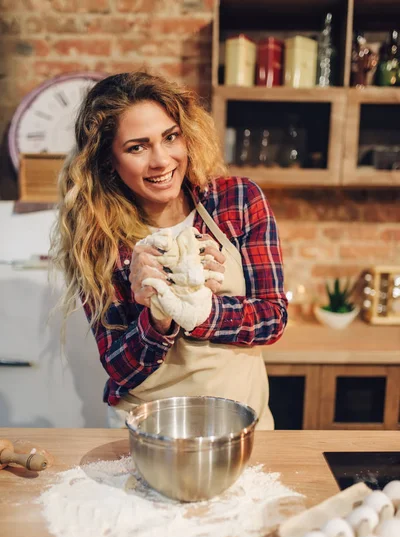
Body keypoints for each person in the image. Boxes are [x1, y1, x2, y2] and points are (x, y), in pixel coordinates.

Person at [51, 71, 288, 429]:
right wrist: (158, 318)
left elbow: (273, 317)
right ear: (108, 162)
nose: (161, 160)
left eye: (170, 137)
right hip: (146, 428)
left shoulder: (236, 201)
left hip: (237, 422)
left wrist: (201, 309)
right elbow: (118, 366)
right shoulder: (99, 237)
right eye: (137, 147)